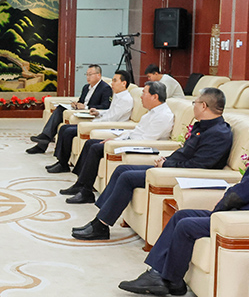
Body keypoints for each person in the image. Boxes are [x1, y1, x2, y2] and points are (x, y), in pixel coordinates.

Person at [119, 108, 249, 296]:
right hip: (247, 212)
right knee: (181, 215)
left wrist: (217, 211)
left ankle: (170, 280)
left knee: (186, 225)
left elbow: (239, 195)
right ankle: (159, 274)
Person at [72, 87, 232, 238]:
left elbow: (198, 166)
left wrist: (167, 165)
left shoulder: (218, 133)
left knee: (127, 177)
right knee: (122, 169)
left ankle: (101, 226)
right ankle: (100, 219)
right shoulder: (203, 127)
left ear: (203, 106)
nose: (193, 106)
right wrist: (167, 159)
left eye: (195, 103)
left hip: (184, 175)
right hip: (172, 167)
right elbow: (185, 153)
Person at [61, 81, 175, 203]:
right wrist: (116, 140)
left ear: (155, 97)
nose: (141, 97)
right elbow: (134, 132)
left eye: (144, 93)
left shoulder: (163, 115)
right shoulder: (151, 112)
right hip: (132, 142)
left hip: (139, 148)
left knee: (96, 148)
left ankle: (86, 191)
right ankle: (80, 184)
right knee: (90, 143)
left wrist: (119, 144)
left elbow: (146, 141)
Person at [46, 70, 134, 174]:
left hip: (109, 127)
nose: (112, 83)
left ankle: (63, 164)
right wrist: (98, 112)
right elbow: (110, 112)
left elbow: (112, 119)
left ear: (123, 83)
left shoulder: (125, 99)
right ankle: (61, 161)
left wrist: (94, 122)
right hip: (102, 122)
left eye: (115, 80)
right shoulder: (118, 95)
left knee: (68, 131)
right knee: (64, 128)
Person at [27, 64, 114, 154]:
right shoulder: (86, 87)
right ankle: (43, 140)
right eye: (87, 74)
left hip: (90, 113)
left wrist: (86, 107)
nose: (88, 77)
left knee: (60, 115)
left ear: (98, 75)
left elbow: (105, 106)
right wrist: (76, 104)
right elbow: (81, 101)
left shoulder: (105, 88)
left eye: (90, 74)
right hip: (80, 111)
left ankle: (43, 141)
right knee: (60, 109)